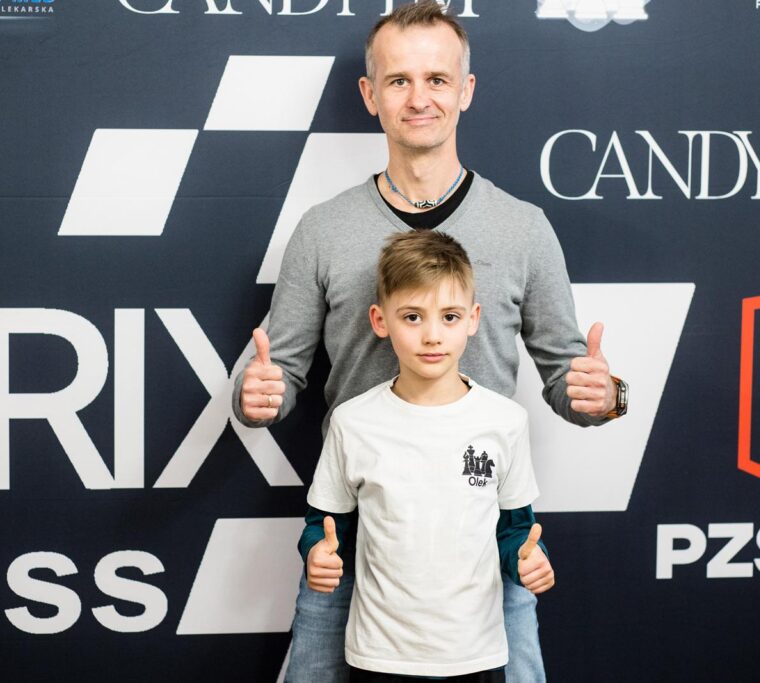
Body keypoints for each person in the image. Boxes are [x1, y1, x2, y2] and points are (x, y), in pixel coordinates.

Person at [232, 2, 628, 681]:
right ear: (370, 95)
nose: (420, 98)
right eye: (399, 80)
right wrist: (256, 396)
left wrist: (607, 394)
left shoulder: (523, 227)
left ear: (465, 90)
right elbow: (276, 376)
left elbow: (572, 380)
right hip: (354, 536)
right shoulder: (323, 230)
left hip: (483, 545)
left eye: (437, 79)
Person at [301, 230, 551, 682]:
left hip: (476, 654)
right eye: (413, 317)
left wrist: (526, 560)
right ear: (380, 320)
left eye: (450, 317)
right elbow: (324, 524)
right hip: (380, 655)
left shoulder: (506, 422)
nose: (433, 336)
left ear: (473, 319)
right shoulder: (353, 422)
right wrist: (317, 552)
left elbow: (516, 529)